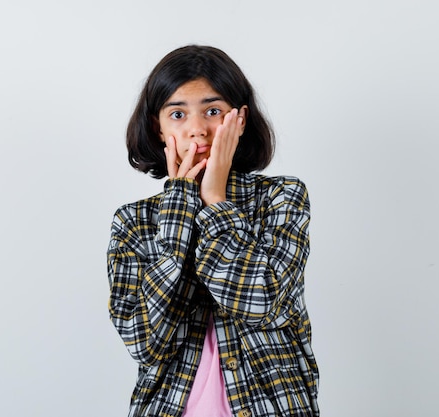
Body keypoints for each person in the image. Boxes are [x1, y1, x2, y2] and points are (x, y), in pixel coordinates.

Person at [106, 45, 319, 417]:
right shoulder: (133, 222)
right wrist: (179, 210)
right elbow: (145, 344)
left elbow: (261, 302)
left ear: (240, 120)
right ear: (158, 127)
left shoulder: (281, 198)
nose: (197, 130)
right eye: (177, 114)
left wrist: (216, 201)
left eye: (213, 111)